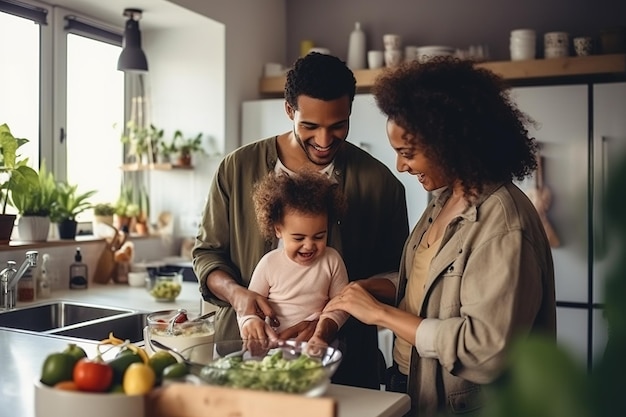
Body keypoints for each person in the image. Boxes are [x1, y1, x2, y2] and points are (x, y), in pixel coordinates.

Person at [324, 57, 557, 415]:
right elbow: (427, 287)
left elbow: (487, 350)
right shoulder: (443, 201)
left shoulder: (503, 221)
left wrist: (380, 316)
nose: (401, 166)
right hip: (411, 381)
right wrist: (367, 289)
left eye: (408, 153)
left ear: (449, 142)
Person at [192, 52, 409, 389]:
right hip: (247, 362)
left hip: (344, 370)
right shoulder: (235, 170)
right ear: (289, 110)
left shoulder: (381, 184)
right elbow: (206, 255)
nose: (324, 141)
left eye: (338, 125)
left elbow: (400, 277)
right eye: (310, 126)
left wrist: (330, 318)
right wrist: (238, 296)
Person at [238, 169, 349, 346]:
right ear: (278, 230)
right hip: (273, 349)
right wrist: (250, 322)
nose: (309, 245)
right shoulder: (269, 263)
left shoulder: (332, 260)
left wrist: (321, 331)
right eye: (299, 238)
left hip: (317, 348)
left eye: (319, 236)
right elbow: (249, 306)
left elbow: (342, 306)